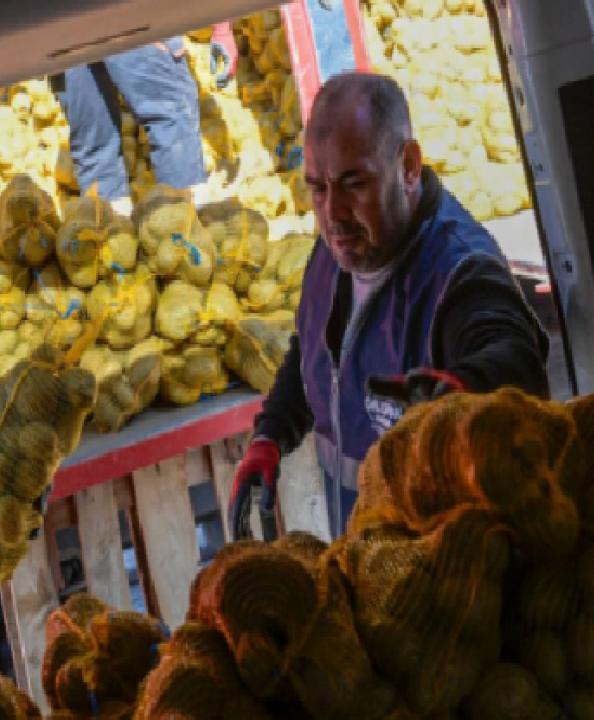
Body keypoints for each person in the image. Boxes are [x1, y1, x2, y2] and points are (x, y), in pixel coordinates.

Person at [228, 73, 550, 539]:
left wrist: (464, 387)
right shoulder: (333, 253)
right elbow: (314, 352)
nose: (333, 213)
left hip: (445, 561)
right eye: (318, 188)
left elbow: (511, 351)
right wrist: (271, 434)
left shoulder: (458, 269)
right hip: (363, 548)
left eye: (354, 183)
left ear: (409, 166)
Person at [55, 35, 214, 216]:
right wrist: (222, 30)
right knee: (170, 115)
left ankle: (110, 226)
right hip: (123, 23)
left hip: (55, 31)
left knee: (95, 147)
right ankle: (185, 221)